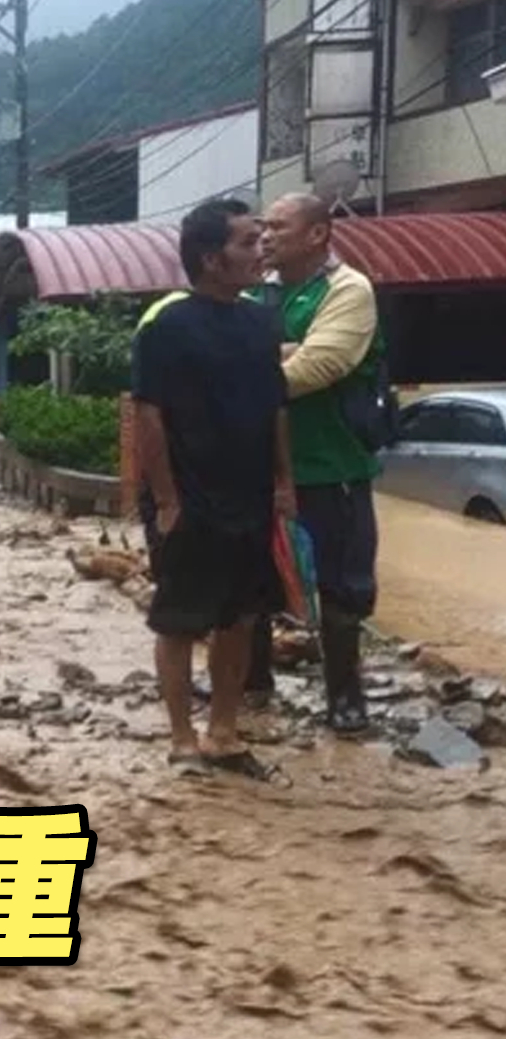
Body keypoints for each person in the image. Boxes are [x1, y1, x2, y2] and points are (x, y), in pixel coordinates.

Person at [133, 200, 295, 782]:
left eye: (262, 240)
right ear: (210, 258)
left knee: (244, 616)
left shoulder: (259, 321)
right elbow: (148, 414)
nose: (261, 252)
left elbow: (276, 405)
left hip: (250, 494)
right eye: (248, 243)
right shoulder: (166, 324)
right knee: (179, 619)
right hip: (190, 495)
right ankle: (181, 739)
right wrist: (167, 499)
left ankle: (224, 732)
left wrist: (284, 481)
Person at [253, 192, 386, 733]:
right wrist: (279, 352)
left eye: (278, 227)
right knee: (252, 584)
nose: (265, 236)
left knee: (341, 587)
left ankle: (346, 699)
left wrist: (241, 368)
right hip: (260, 469)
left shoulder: (349, 290)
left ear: (317, 235)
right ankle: (253, 686)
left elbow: (318, 366)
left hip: (333, 468)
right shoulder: (258, 294)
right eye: (262, 226)